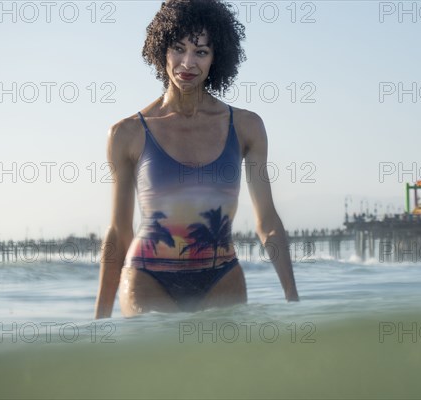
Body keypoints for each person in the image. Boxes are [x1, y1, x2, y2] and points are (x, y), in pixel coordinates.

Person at [94, 0, 299, 318]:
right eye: (178, 48)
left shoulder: (246, 126)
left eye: (201, 52)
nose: (187, 63)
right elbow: (119, 232)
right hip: (149, 279)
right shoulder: (127, 133)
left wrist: (293, 299)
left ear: (216, 58)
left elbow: (268, 223)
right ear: (162, 49)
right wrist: (100, 320)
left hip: (222, 277)